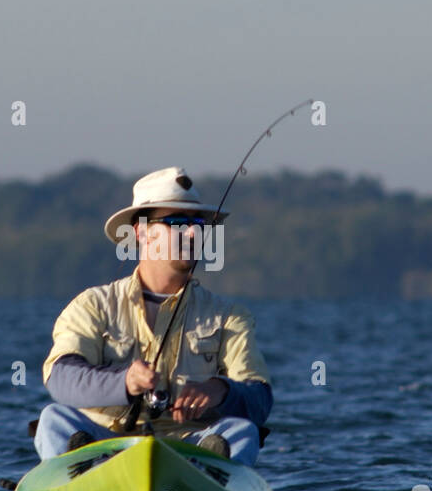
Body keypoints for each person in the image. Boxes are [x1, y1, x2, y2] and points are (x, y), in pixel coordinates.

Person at [34, 167, 272, 465]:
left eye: (198, 223)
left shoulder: (230, 317)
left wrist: (221, 390)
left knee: (242, 430)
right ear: (141, 232)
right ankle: (81, 477)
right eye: (176, 222)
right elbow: (60, 378)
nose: (192, 233)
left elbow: (259, 398)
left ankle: (211, 482)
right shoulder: (92, 305)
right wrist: (124, 382)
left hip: (190, 451)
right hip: (106, 446)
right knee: (53, 419)